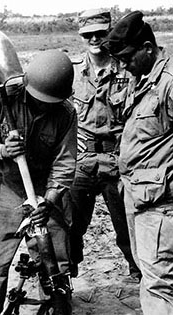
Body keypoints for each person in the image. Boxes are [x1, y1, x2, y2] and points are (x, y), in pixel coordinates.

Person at [0, 49, 77, 315]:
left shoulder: (66, 113)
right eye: (39, 100)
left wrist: (49, 202)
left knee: (56, 266)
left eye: (50, 102)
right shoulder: (0, 98)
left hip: (44, 193)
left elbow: (64, 165)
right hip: (4, 189)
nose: (44, 106)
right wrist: (4, 150)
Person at [101, 10, 173, 315]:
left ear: (147, 47)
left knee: (158, 284)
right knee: (151, 275)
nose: (124, 65)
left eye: (128, 57)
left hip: (160, 203)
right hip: (139, 196)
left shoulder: (168, 83)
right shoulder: (143, 78)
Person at [68, 8, 140, 280]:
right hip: (83, 159)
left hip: (117, 159)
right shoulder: (72, 72)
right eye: (89, 35)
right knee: (71, 224)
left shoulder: (128, 68)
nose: (95, 40)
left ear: (109, 32)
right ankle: (65, 276)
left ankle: (143, 278)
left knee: (128, 227)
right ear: (81, 37)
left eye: (100, 33)